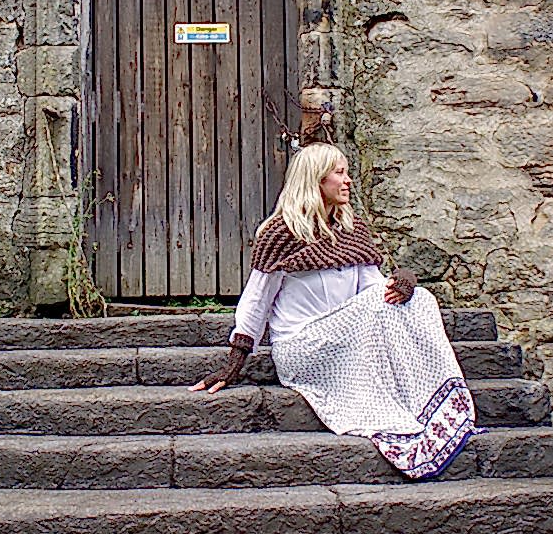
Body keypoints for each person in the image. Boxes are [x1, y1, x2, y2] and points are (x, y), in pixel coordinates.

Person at [189, 142, 480, 479]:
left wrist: (402, 281)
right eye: (339, 173)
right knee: (380, 303)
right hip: (302, 347)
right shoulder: (280, 232)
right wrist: (235, 361)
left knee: (421, 298)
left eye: (346, 173)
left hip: (343, 339)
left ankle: (438, 405)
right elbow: (256, 299)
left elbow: (375, 290)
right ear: (316, 179)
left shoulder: (351, 230)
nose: (348, 181)